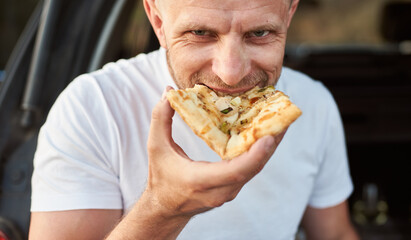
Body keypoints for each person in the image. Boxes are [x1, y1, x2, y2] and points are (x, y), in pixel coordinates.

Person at [29, 0, 359, 239]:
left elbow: (335, 234)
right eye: (200, 33)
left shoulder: (314, 103)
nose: (231, 74)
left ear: (289, 16)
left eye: (259, 33)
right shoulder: (92, 108)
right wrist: (163, 208)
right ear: (157, 20)